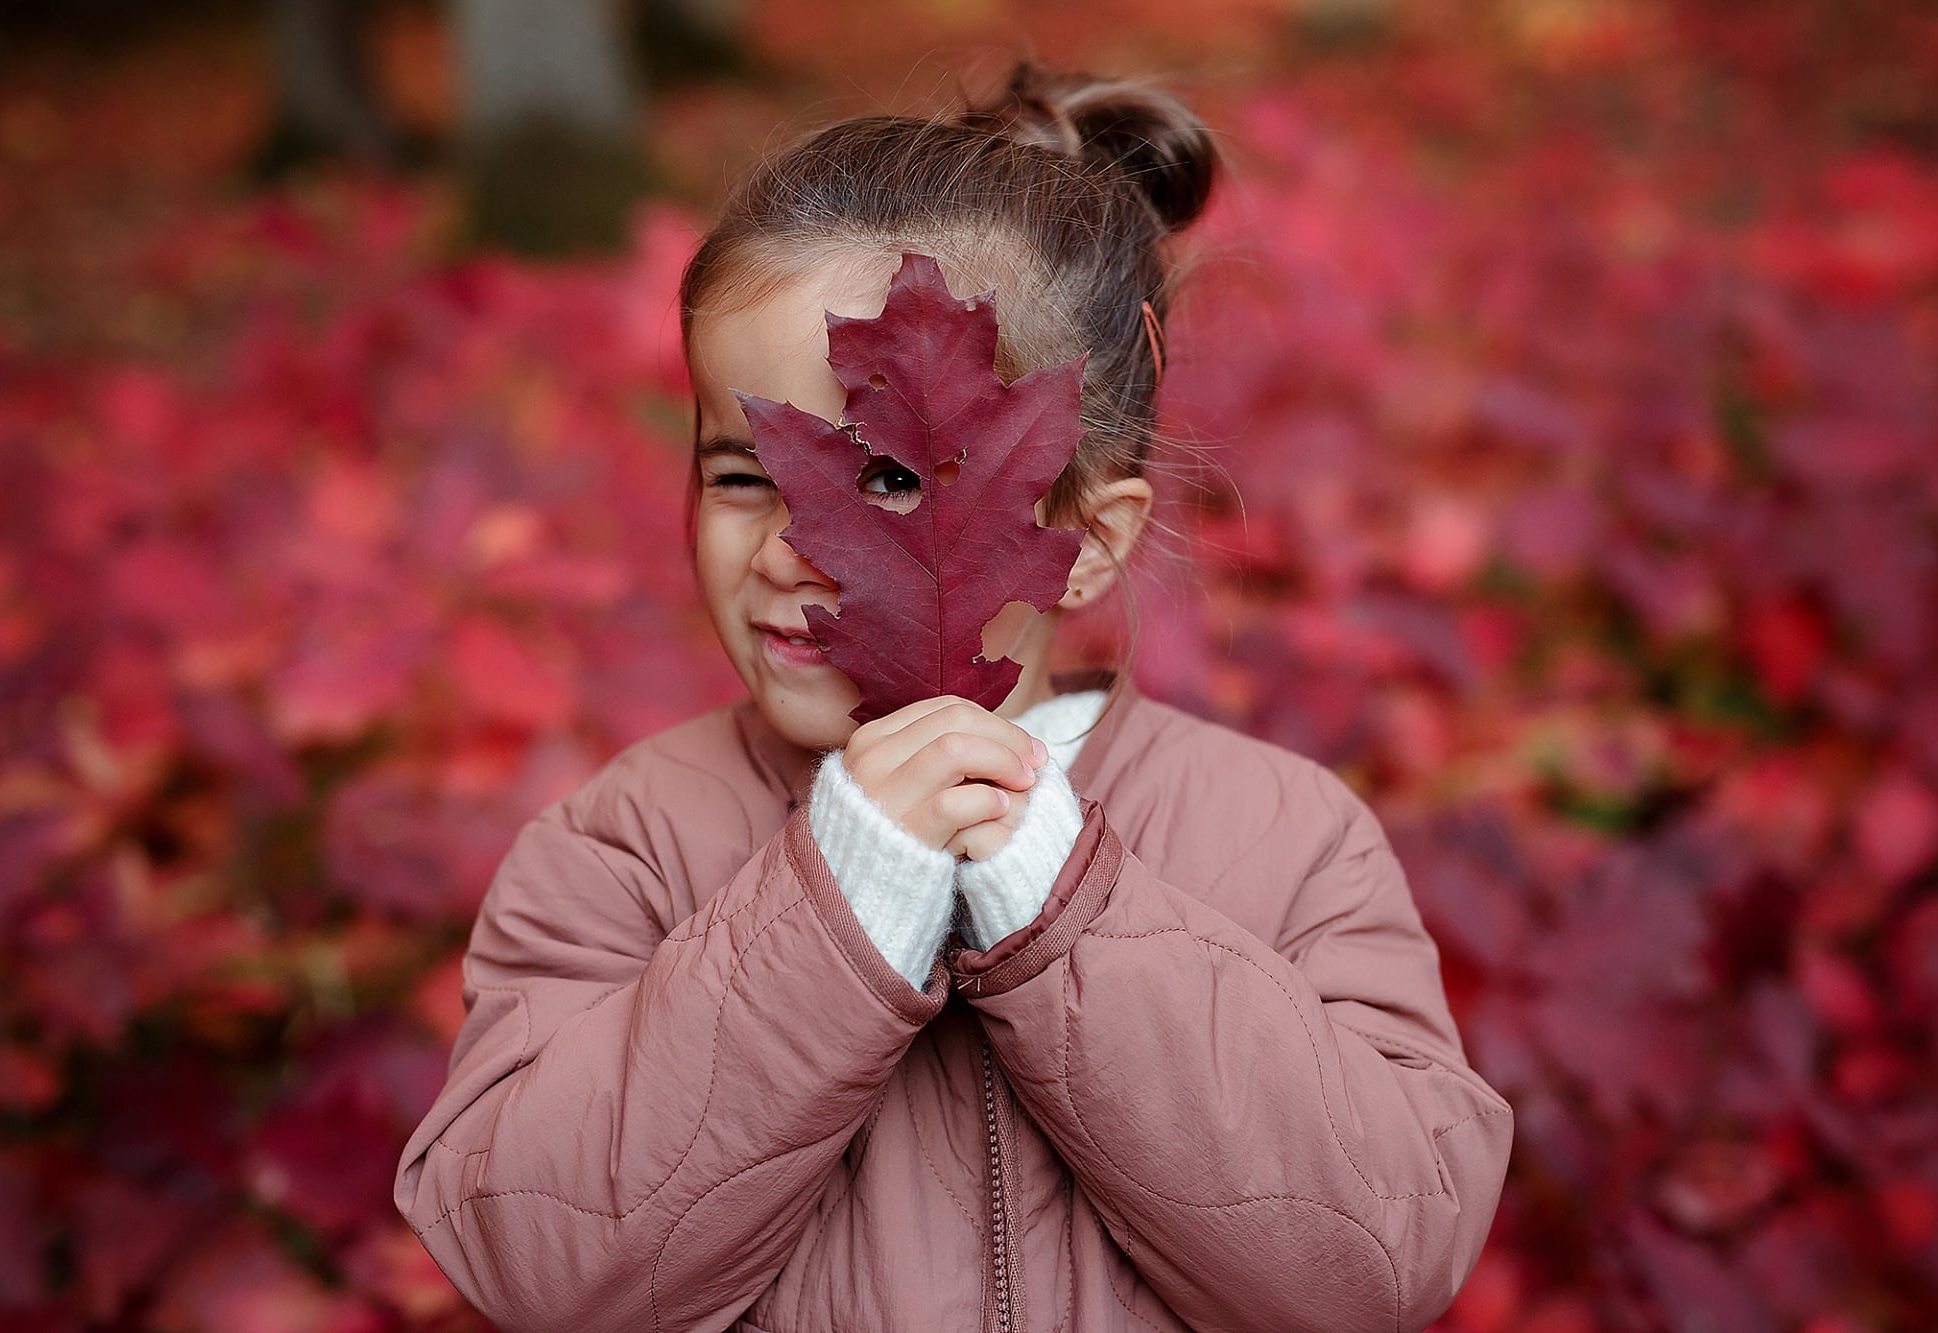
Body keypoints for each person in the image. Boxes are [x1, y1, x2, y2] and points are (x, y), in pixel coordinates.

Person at [395, 62, 1512, 1333]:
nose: (781, 551)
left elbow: (1370, 1269)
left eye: (877, 483)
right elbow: (544, 1266)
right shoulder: (622, 850)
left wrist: (1056, 895)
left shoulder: (1283, 839)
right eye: (740, 476)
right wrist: (839, 902)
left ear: (1084, 534)